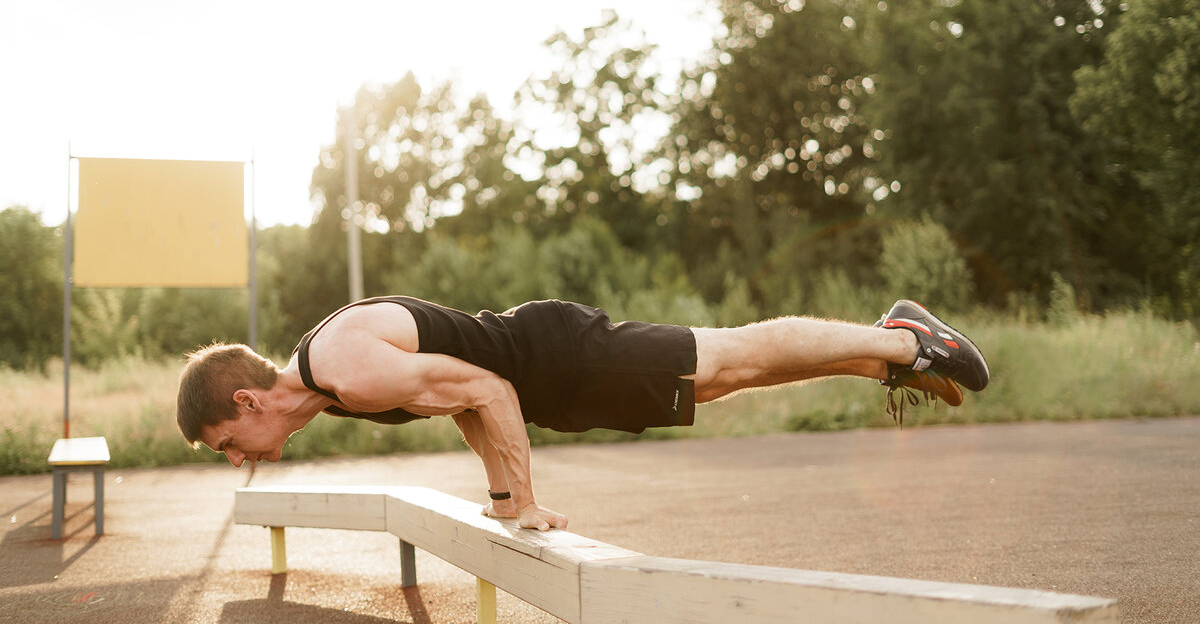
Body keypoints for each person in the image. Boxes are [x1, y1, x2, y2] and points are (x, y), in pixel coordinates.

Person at [176, 296, 988, 531]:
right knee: (716, 383)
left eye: (226, 443)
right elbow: (459, 401)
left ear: (247, 401)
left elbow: (490, 392)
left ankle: (902, 335)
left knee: (728, 354)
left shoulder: (344, 368)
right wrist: (502, 503)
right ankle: (892, 352)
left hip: (556, 354)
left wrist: (524, 499)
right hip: (553, 379)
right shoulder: (330, 379)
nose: (237, 456)